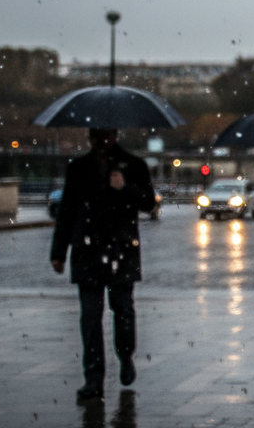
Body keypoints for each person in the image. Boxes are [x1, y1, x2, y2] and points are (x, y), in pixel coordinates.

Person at [50, 128, 156, 401]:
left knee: (122, 311)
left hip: (120, 249)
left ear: (114, 136)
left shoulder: (133, 165)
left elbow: (147, 202)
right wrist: (59, 251)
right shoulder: (78, 168)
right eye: (96, 136)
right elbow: (68, 211)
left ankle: (124, 355)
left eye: (104, 135)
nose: (100, 141)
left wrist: (125, 188)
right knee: (90, 318)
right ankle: (93, 378)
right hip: (88, 251)